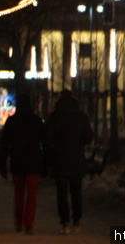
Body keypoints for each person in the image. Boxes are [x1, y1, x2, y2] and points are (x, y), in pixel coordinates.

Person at [45, 89, 94, 234]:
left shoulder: (54, 117)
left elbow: (47, 138)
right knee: (76, 192)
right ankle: (76, 220)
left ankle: (64, 221)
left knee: (61, 193)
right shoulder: (81, 117)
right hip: (76, 159)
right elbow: (88, 137)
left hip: (59, 158)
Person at [0, 93, 45, 235]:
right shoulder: (36, 121)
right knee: (32, 195)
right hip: (33, 162)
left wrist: (2, 164)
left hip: (17, 161)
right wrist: (46, 163)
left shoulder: (12, 121)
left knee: (18, 194)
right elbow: (45, 143)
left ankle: (18, 223)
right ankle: (29, 224)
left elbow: (4, 144)